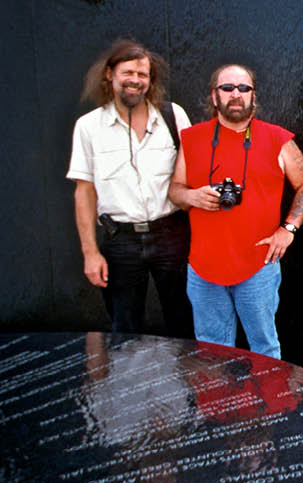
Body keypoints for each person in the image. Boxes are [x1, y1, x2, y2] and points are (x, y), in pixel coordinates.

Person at [169, 64, 303, 359]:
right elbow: (175, 190)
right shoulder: (192, 138)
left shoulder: (277, 139)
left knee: (264, 347)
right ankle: (217, 407)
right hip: (203, 267)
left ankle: (269, 406)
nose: (235, 94)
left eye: (243, 88)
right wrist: (192, 196)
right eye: (227, 88)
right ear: (214, 96)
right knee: (211, 352)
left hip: (258, 265)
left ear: (253, 96)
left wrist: (288, 230)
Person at [67, 39, 193, 338]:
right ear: (110, 74)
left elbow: (192, 177)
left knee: (185, 321)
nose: (135, 80)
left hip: (173, 234)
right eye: (128, 72)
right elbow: (84, 192)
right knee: (125, 329)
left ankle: (189, 384)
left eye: (143, 74)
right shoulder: (88, 127)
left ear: (150, 81)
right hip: (120, 240)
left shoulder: (173, 116)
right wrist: (90, 253)